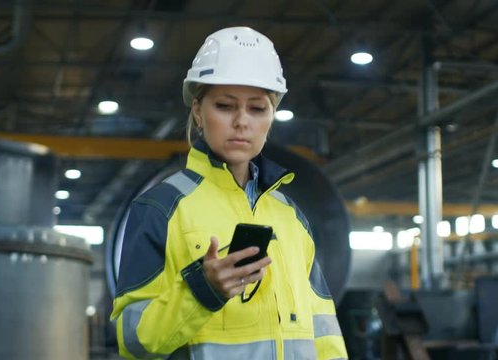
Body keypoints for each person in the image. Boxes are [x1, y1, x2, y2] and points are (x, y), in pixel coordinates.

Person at [110, 26, 348, 359]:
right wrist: (201, 290)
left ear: (271, 116)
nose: (241, 122)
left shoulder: (291, 217)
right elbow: (132, 341)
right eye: (224, 106)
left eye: (257, 108)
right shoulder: (159, 209)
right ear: (198, 111)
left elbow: (324, 329)